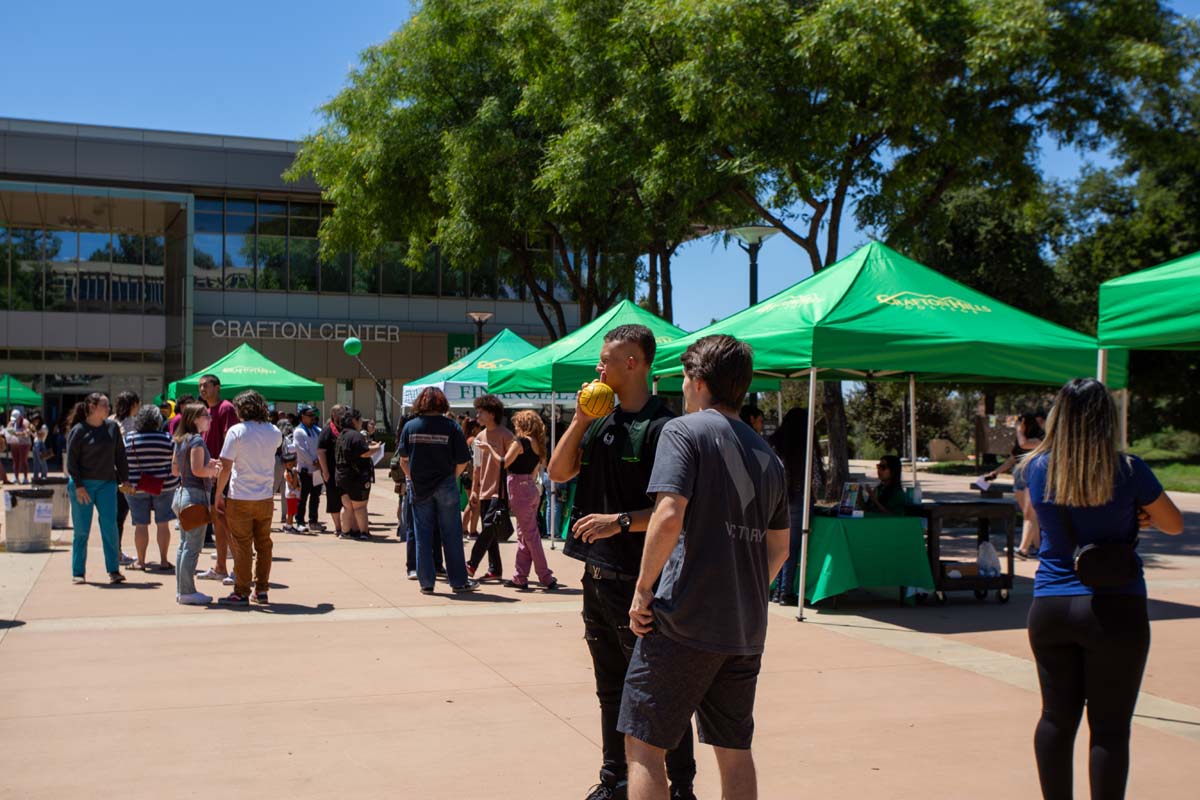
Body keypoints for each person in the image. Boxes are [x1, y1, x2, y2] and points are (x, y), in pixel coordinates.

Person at [620, 335, 789, 800]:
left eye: (683, 379)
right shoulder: (769, 457)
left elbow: (668, 514)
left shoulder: (683, 432)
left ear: (697, 381)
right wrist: (742, 591)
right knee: (734, 751)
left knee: (644, 746)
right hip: (744, 627)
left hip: (684, 621)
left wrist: (643, 589)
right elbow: (779, 549)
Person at [547, 324, 697, 800]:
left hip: (642, 583)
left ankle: (681, 787)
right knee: (610, 688)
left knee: (658, 696)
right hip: (596, 578)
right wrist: (579, 420)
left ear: (632, 363)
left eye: (606, 359)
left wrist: (620, 522)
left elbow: (675, 511)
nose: (598, 367)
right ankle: (615, 780)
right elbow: (557, 471)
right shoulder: (599, 420)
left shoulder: (664, 427)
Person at [1019, 378, 1183, 800]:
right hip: (1116, 606)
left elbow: (1056, 512)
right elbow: (1173, 524)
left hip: (1052, 604)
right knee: (1109, 728)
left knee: (1055, 718)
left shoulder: (1036, 467)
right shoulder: (1128, 469)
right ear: (1107, 419)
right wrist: (1140, 514)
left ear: (1058, 417)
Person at [396, 387, 479, 595]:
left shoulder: (410, 426)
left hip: (420, 487)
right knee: (451, 534)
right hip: (445, 485)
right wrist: (452, 477)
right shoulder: (451, 426)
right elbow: (463, 460)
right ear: (442, 403)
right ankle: (458, 581)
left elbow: (403, 460)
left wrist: (413, 477)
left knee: (422, 534)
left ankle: (426, 582)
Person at [215, 391, 282, 605]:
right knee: (264, 544)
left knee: (242, 545)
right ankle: (261, 590)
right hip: (265, 496)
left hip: (240, 496)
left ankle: (242, 591)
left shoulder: (237, 431)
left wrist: (218, 493)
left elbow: (226, 466)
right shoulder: (274, 431)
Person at [479, 410, 557, 590]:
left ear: (523, 424)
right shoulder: (538, 444)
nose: (514, 426)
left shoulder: (521, 442)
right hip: (530, 488)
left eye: (516, 423)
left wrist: (489, 449)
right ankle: (520, 576)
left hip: (519, 488)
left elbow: (503, 463)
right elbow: (536, 471)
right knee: (524, 534)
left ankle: (545, 576)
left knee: (530, 536)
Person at [66, 393, 133, 585]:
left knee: (110, 527)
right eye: (104, 405)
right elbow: (71, 462)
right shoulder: (79, 430)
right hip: (82, 486)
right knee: (81, 531)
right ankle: (78, 572)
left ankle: (113, 570)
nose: (109, 408)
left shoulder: (112, 428)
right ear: (92, 406)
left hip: (107, 484)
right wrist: (79, 486)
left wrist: (125, 479)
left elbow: (120, 455)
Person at [768, 407, 828, 606]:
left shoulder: (774, 444)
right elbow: (816, 480)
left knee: (775, 545)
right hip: (799, 497)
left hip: (774, 498)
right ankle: (785, 592)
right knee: (790, 548)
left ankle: (776, 590)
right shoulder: (807, 445)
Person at [171, 402, 220, 605]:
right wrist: (214, 470)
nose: (209, 419)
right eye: (206, 416)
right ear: (195, 419)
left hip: (182, 494)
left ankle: (182, 590)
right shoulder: (197, 440)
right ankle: (187, 591)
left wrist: (207, 466)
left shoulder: (181, 439)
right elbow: (198, 470)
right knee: (192, 547)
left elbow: (175, 470)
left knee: (184, 545)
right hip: (195, 496)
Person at [125, 405, 179, 571]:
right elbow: (174, 461)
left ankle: (141, 561)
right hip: (164, 486)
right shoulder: (167, 438)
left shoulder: (130, 438)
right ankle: (163, 560)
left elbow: (124, 461)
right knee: (163, 524)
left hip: (136, 486)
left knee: (140, 525)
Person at [196, 375, 239, 582]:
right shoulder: (206, 411)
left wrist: (221, 473)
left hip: (223, 476)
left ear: (217, 387)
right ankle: (220, 567)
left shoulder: (226, 408)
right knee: (218, 523)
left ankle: (239, 570)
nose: (202, 389)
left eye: (206, 385)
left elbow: (230, 442)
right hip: (210, 476)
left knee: (227, 524)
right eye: (200, 386)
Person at [466, 394, 514, 580]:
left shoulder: (506, 435)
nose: (477, 415)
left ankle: (471, 564)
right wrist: (474, 490)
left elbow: (511, 462)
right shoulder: (479, 436)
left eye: (481, 412)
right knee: (491, 532)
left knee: (487, 528)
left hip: (499, 491)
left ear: (492, 414)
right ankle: (495, 570)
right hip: (484, 491)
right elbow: (477, 467)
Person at [986, 413, 1046, 559]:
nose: (1019, 425)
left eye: (1021, 422)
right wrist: (995, 472)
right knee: (1030, 515)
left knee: (1029, 514)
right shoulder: (1020, 440)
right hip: (1019, 478)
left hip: (1031, 477)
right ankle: (1038, 548)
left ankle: (1023, 549)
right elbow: (1013, 459)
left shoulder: (1040, 439)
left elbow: (1024, 444)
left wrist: (1019, 430)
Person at [336, 407, 382, 540]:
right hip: (356, 477)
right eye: (360, 419)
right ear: (354, 421)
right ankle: (364, 533)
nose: (361, 422)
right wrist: (377, 448)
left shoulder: (341, 435)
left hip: (341, 476)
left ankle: (345, 532)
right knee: (360, 507)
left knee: (347, 506)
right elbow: (364, 452)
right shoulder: (356, 436)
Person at [112, 391, 140, 565]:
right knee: (120, 514)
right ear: (133, 405)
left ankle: (114, 551)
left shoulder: (110, 420)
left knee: (111, 515)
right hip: (125, 473)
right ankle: (117, 552)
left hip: (107, 472)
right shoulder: (134, 424)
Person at [293, 404, 324, 532]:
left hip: (317, 470)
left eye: (313, 415)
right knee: (302, 497)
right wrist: (314, 462)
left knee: (315, 497)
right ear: (303, 416)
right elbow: (301, 451)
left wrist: (321, 463)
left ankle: (313, 521)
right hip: (305, 470)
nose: (313, 418)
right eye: (310, 415)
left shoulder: (317, 430)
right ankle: (300, 521)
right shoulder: (299, 431)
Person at [318, 404, 347, 538]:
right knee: (334, 499)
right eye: (340, 413)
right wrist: (325, 471)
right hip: (331, 470)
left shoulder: (345, 429)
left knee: (346, 499)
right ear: (334, 415)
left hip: (345, 471)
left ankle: (347, 526)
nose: (343, 416)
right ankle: (338, 527)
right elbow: (321, 452)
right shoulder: (327, 431)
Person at [461, 419, 482, 538]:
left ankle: (463, 529)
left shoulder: (466, 440)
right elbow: (477, 461)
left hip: (465, 475)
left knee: (470, 503)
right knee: (476, 505)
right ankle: (473, 531)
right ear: (474, 428)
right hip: (472, 476)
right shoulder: (475, 440)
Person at [5, 409, 33, 484]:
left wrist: (18, 434)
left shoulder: (25, 422)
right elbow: (8, 429)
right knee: (15, 460)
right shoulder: (11, 422)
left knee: (23, 460)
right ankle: (16, 477)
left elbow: (28, 431)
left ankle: (25, 478)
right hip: (14, 442)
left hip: (24, 443)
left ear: (20, 417)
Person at [28, 411, 50, 481]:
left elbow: (41, 436)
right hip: (35, 445)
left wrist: (34, 429)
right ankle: (36, 475)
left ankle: (44, 475)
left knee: (42, 461)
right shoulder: (37, 427)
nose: (34, 422)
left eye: (35, 420)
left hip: (41, 445)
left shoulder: (44, 427)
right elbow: (35, 436)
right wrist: (31, 432)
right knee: (35, 462)